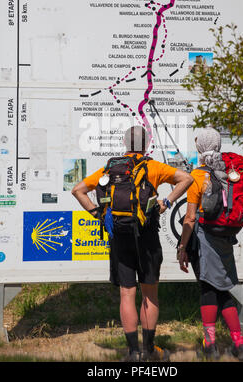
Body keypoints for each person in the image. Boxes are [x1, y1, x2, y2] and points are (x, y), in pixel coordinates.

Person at [72, 125, 194, 362]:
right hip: (147, 235)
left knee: (126, 293)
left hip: (119, 235)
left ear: (125, 144)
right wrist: (166, 203)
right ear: (147, 144)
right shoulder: (153, 167)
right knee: (149, 294)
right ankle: (149, 350)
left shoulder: (110, 168)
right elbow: (186, 178)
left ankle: (132, 352)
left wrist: (98, 213)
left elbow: (78, 190)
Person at [177, 127, 243, 361]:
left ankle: (210, 345)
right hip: (225, 236)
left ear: (199, 148)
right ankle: (239, 345)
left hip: (203, 237)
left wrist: (182, 247)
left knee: (208, 288)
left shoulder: (197, 176)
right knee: (223, 289)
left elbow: (190, 217)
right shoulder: (228, 172)